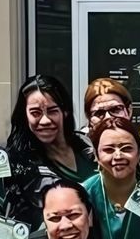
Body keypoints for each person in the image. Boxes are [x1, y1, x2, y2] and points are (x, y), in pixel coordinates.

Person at [5, 74, 92, 225]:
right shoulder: (19, 165)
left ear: (65, 112)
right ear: (24, 116)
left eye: (52, 111)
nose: (45, 120)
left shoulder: (89, 147)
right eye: (35, 113)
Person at [85, 77, 140, 177]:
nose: (108, 117)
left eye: (115, 109)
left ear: (129, 111)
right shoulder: (77, 147)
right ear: (88, 117)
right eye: (99, 113)